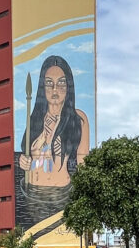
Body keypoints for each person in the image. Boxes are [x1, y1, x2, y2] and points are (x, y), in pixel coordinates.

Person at [18, 56, 90, 190]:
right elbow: (26, 153)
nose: (55, 89)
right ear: (42, 86)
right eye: (49, 83)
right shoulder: (35, 118)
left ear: (68, 86)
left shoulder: (78, 118)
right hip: (32, 190)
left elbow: (83, 162)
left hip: (61, 191)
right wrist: (23, 161)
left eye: (61, 82)